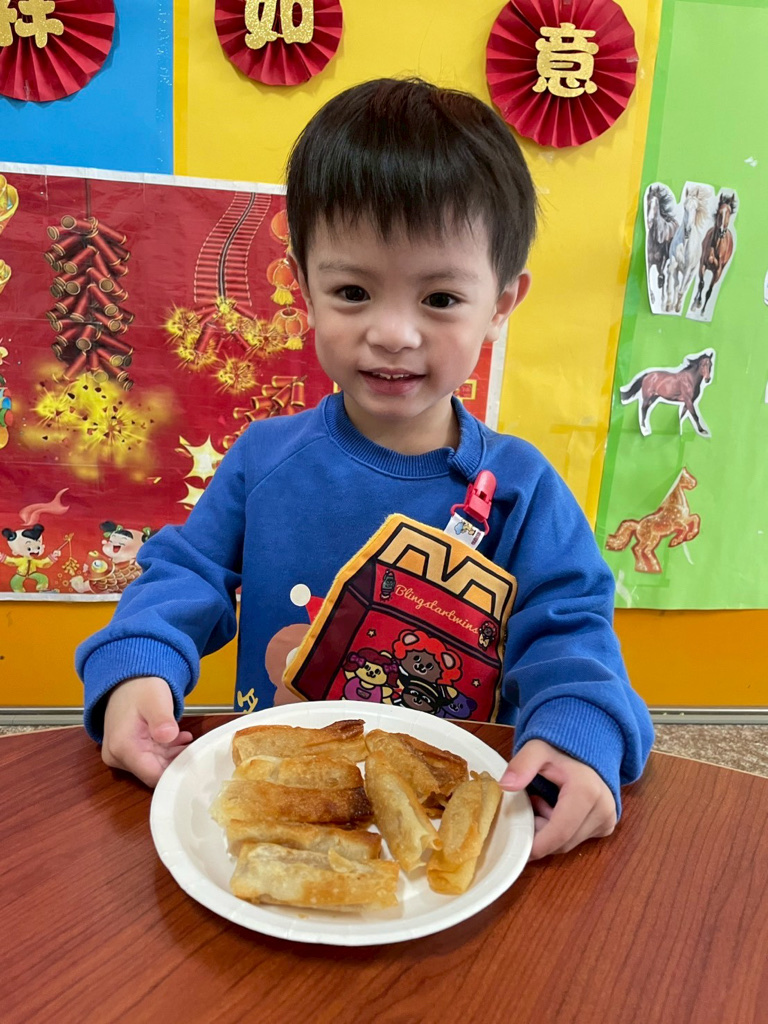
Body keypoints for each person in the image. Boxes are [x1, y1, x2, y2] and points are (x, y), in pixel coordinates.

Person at [76, 78, 654, 860]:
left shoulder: (522, 488)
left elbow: (569, 629)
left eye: (440, 298)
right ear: (303, 287)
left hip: (448, 830)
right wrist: (136, 669)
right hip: (283, 805)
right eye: (353, 291)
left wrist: (579, 731)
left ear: (501, 304)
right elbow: (185, 572)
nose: (393, 333)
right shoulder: (264, 458)